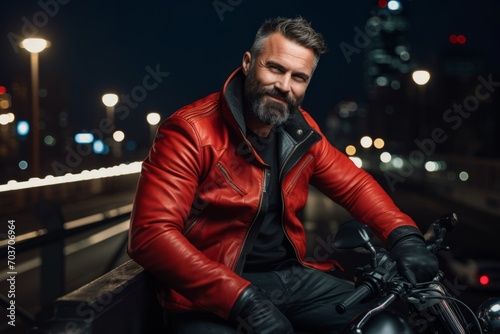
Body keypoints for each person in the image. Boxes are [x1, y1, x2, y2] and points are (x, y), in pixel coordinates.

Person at [128, 16, 438, 333]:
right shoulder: (191, 131)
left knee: (385, 325)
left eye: (299, 77)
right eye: (275, 68)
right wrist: (244, 300)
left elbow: (354, 186)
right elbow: (150, 235)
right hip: (214, 288)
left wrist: (403, 235)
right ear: (248, 63)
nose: (284, 86)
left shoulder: (299, 130)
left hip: (290, 279)